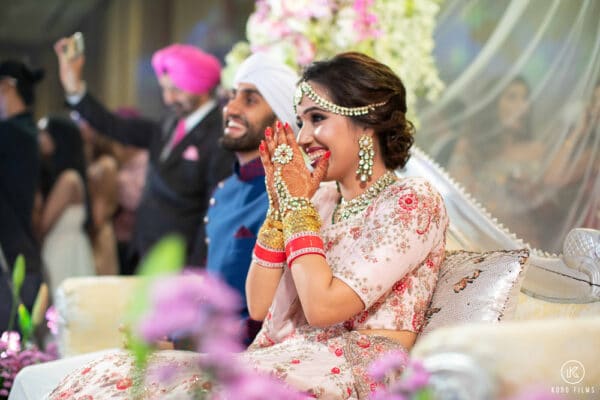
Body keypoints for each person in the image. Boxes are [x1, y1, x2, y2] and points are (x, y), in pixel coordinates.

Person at [32, 52, 448, 400]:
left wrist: (297, 207)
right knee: (114, 375)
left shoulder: (412, 201)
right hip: (290, 356)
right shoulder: (320, 199)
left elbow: (323, 308)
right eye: (301, 122)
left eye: (317, 118)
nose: (303, 139)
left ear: (369, 121)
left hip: (354, 370)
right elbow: (259, 304)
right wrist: (280, 208)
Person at [53, 39, 235, 266]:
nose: (168, 99)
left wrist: (196, 272)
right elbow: (113, 125)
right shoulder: (168, 124)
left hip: (182, 261)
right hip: (146, 253)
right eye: (165, 89)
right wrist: (75, 88)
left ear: (200, 87)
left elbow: (215, 210)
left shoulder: (219, 135)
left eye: (175, 90)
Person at [200, 53, 299, 342]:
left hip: (249, 355)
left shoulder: (291, 195)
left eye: (250, 100)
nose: (230, 108)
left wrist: (187, 341)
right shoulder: (224, 190)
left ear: (281, 119)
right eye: (232, 96)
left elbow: (281, 311)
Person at [0, 60, 44, 331]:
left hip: (10, 258)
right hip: (23, 253)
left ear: (7, 87)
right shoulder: (27, 132)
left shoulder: (10, 133)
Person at [35, 115, 96, 298]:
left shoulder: (68, 179)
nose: (39, 138)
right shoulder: (68, 176)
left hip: (62, 253)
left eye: (45, 132)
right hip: (66, 248)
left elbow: (44, 224)